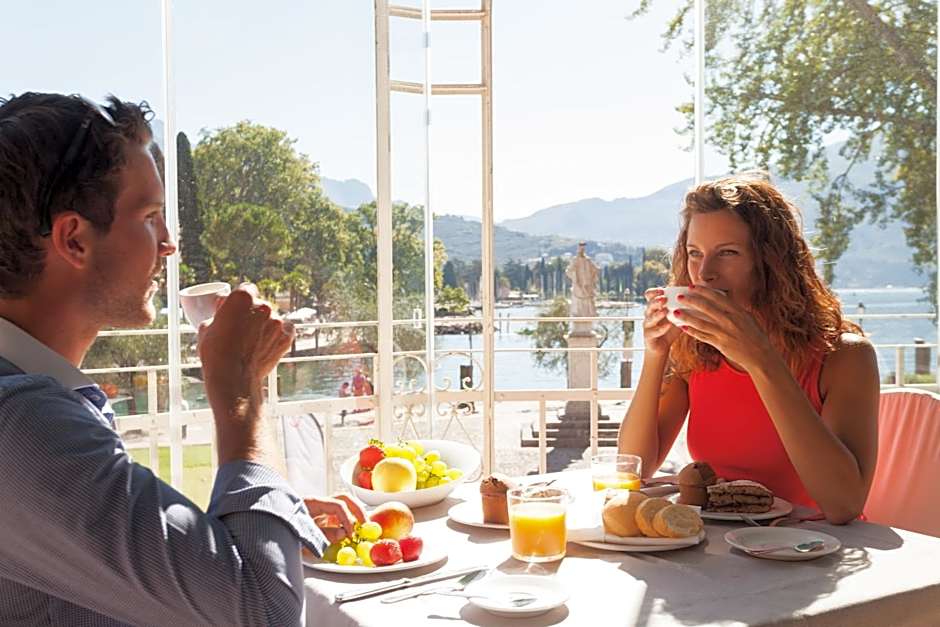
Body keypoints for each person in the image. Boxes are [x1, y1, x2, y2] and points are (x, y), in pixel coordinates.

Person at [0, 92, 363, 625]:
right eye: (149, 217)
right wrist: (240, 396)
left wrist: (268, 519)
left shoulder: (37, 401)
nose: (168, 244)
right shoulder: (23, 426)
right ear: (74, 239)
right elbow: (266, 615)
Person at [618, 173, 879, 524]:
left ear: (771, 263)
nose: (705, 274)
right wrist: (656, 354)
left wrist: (760, 361)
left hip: (815, 555)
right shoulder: (695, 351)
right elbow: (634, 467)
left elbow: (843, 505)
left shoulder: (845, 357)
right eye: (695, 254)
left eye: (727, 253)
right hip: (726, 552)